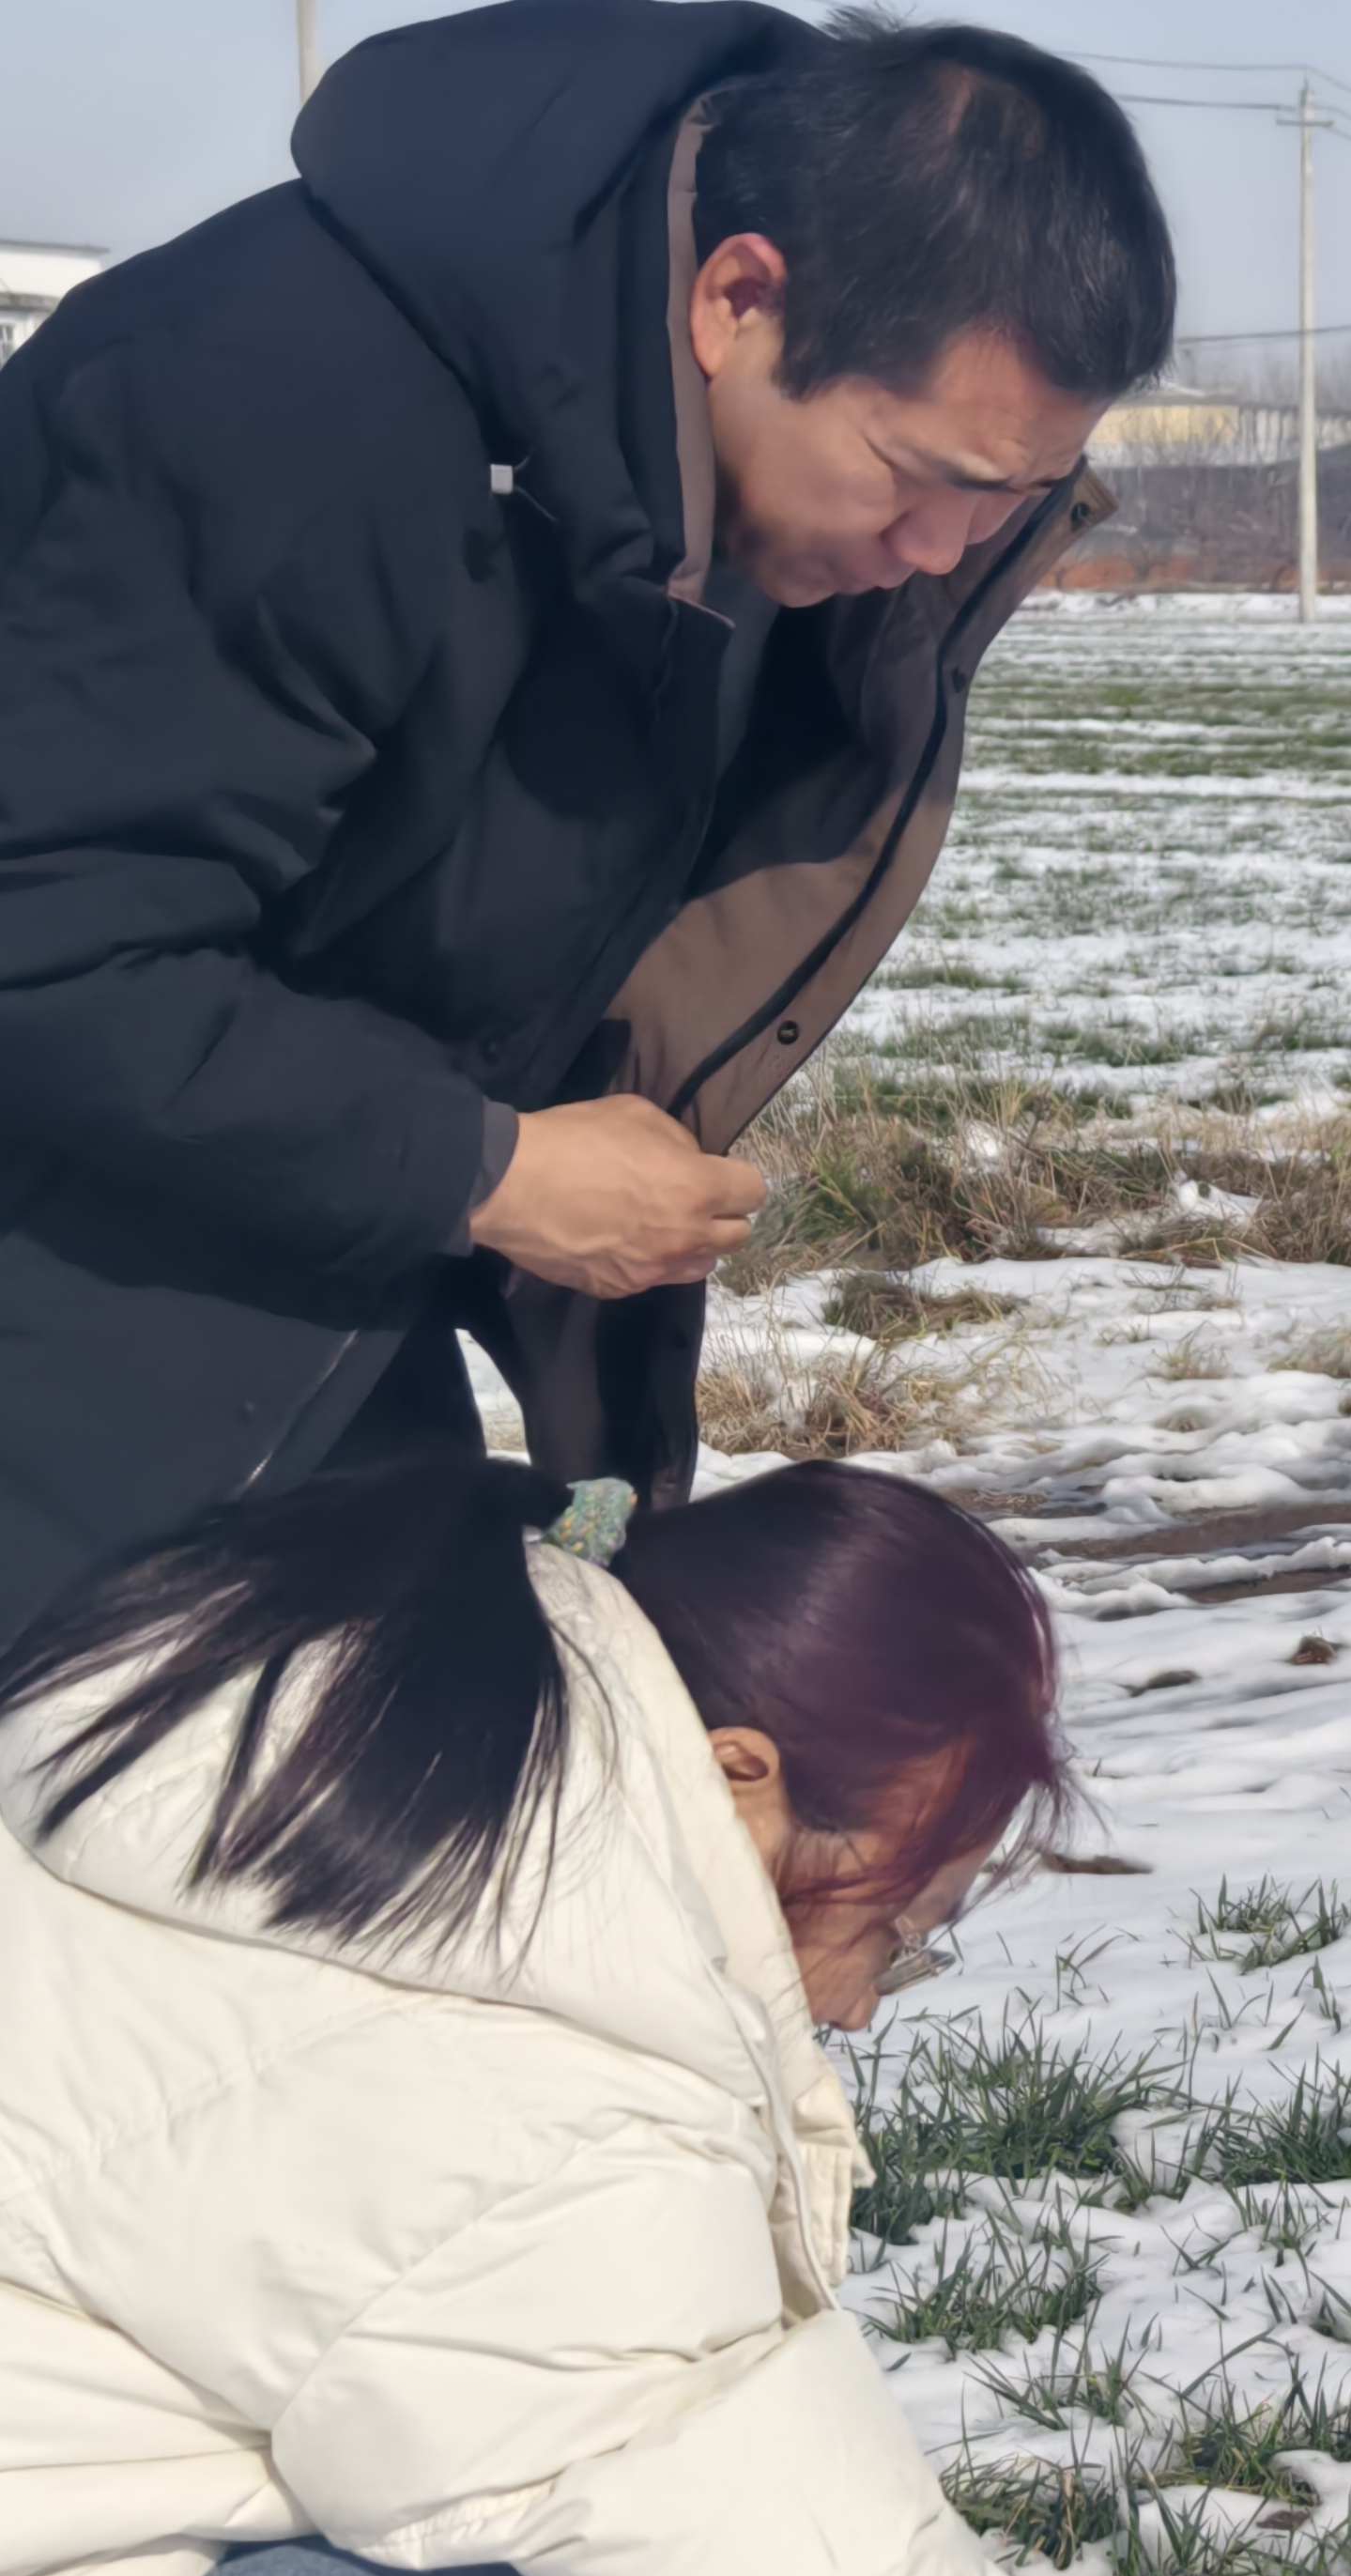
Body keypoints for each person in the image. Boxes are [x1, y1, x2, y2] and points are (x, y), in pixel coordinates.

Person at [0, 1, 1178, 1648]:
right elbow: (49, 950)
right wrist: (490, 1172)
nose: (935, 551)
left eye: (1002, 503)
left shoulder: (719, 489)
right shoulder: (266, 405)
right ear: (738, 300)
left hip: (283, 1242)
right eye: (917, 476)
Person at [0, 1458, 1118, 2576]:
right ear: (739, 1778)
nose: (853, 2010)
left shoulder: (269, 1720)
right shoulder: (524, 2108)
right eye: (898, 1928)